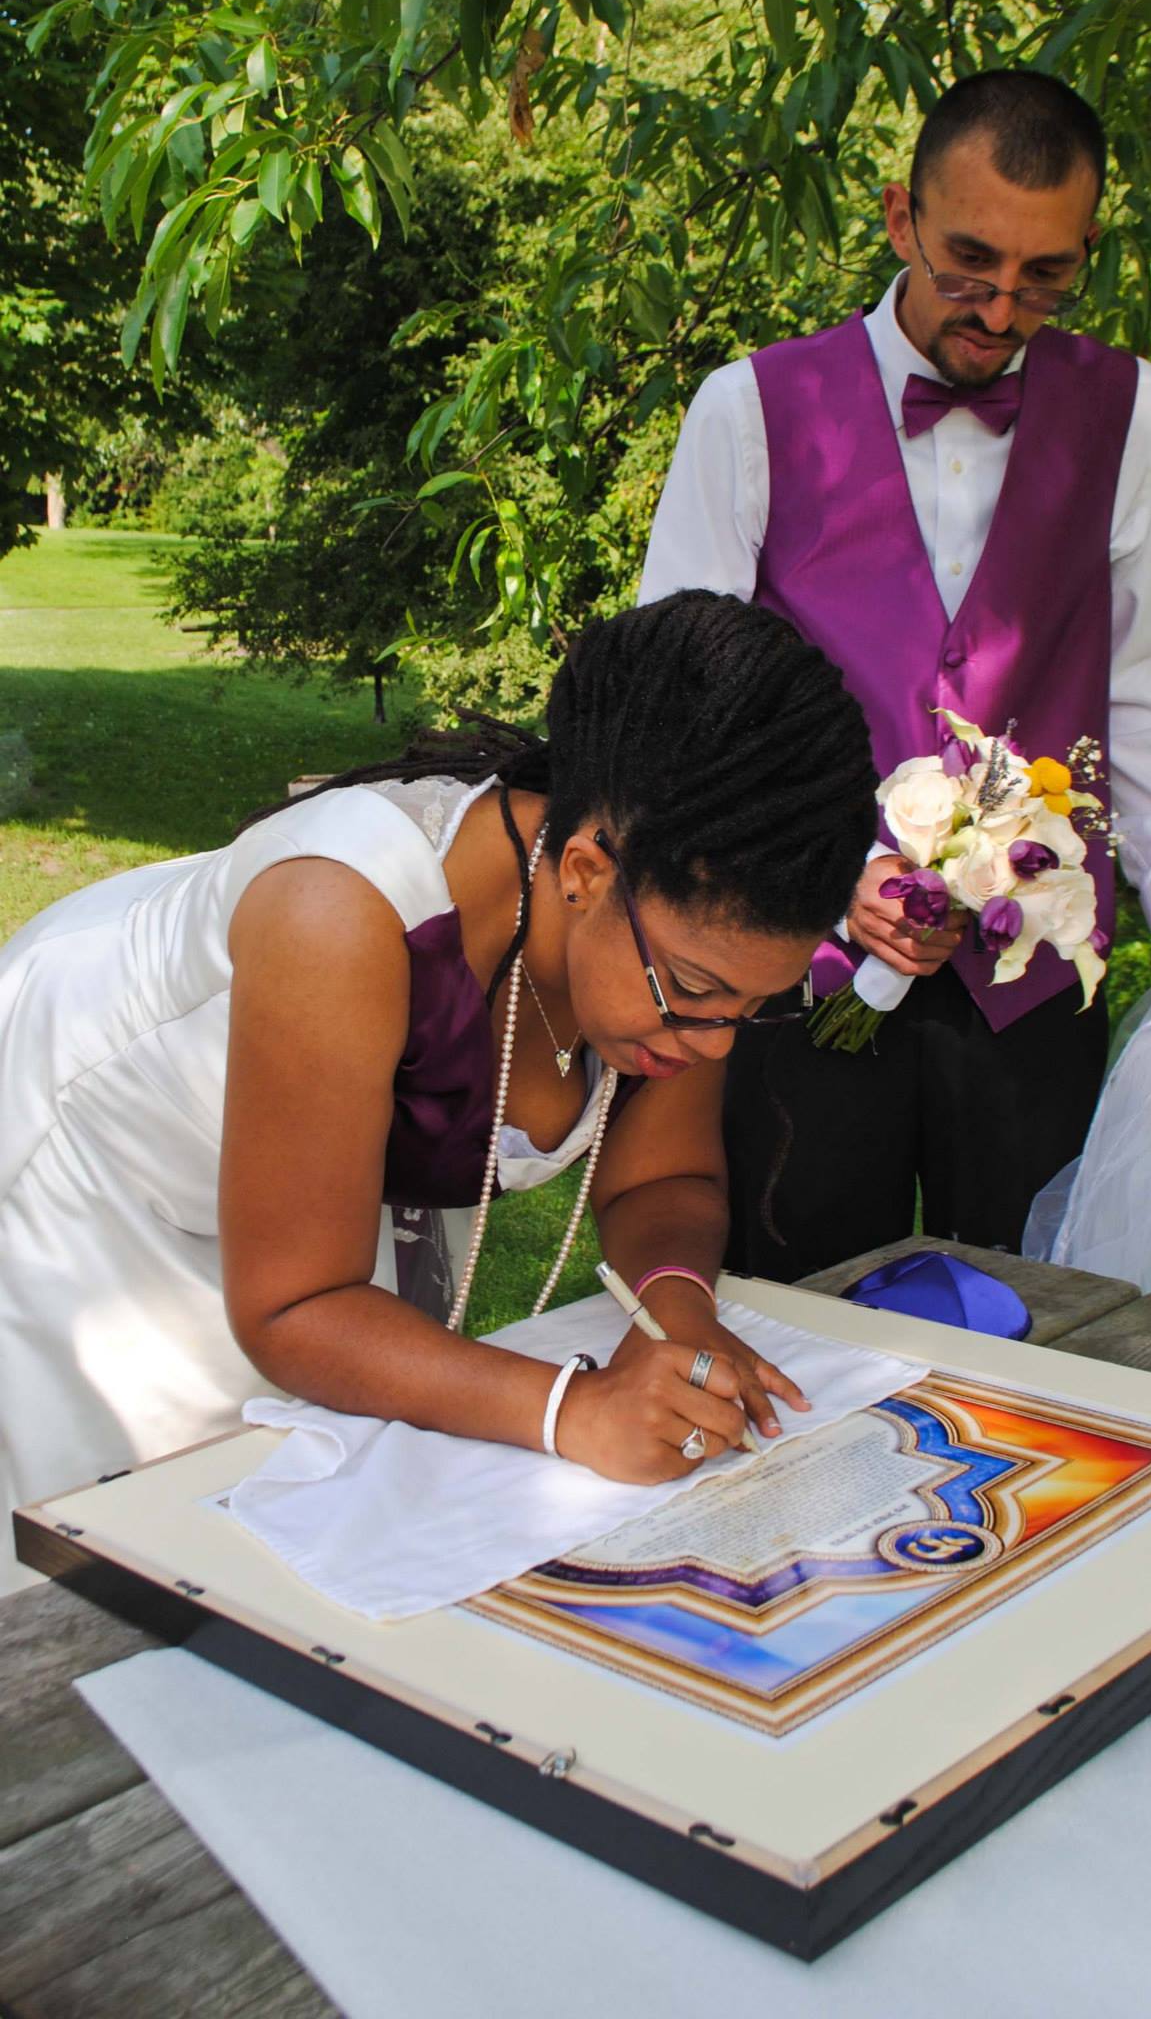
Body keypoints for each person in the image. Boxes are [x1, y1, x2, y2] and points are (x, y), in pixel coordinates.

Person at [0, 591, 878, 1594]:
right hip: (91, 1174)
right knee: (128, 1562)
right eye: (694, 991)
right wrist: (571, 1408)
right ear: (586, 871)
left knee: (317, 1538)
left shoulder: (671, 935)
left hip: (306, 1238)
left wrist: (677, 1311)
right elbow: (296, 1303)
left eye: (754, 1005)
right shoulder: (339, 912)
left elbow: (663, 1177)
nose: (716, 1037)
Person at [640, 68, 1151, 1282]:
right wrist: (823, 873)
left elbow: (1149, 687)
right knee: (802, 1316)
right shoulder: (749, 409)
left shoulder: (1137, 414)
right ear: (898, 218)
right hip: (801, 971)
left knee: (1038, 1322)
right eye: (968, 264)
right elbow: (677, 696)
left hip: (1033, 980)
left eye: (1045, 275)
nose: (1003, 307)